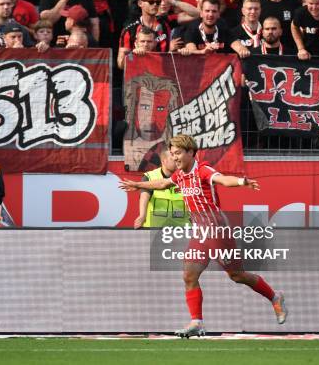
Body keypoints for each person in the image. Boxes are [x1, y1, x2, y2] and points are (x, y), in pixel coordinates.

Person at [119, 134, 287, 338]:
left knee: (237, 275)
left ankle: (274, 296)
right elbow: (162, 184)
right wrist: (138, 185)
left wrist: (243, 181)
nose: (175, 158)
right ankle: (196, 322)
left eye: (178, 153)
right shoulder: (179, 175)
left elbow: (224, 180)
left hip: (216, 230)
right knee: (189, 275)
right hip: (200, 231)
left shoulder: (203, 170)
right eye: (172, 154)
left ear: (190, 152)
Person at [134, 148, 190, 228]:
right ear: (164, 161)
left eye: (177, 157)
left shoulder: (186, 176)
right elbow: (144, 196)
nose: (176, 160)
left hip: (182, 230)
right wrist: (142, 215)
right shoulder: (150, 177)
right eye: (173, 158)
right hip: (155, 230)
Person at [179, 0, 250, 57]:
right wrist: (203, 52)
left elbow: (236, 44)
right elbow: (191, 50)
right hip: (199, 70)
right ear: (201, 13)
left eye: (214, 11)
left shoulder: (223, 27)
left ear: (219, 14)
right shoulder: (193, 28)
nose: (210, 14)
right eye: (207, 11)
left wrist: (242, 50)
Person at [118, 0, 174, 69]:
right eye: (151, 2)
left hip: (162, 75)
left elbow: (194, 14)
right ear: (140, 3)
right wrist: (133, 54)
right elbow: (120, 64)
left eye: (157, 2)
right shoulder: (130, 29)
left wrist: (171, 1)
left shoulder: (166, 23)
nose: (155, 5)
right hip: (138, 76)